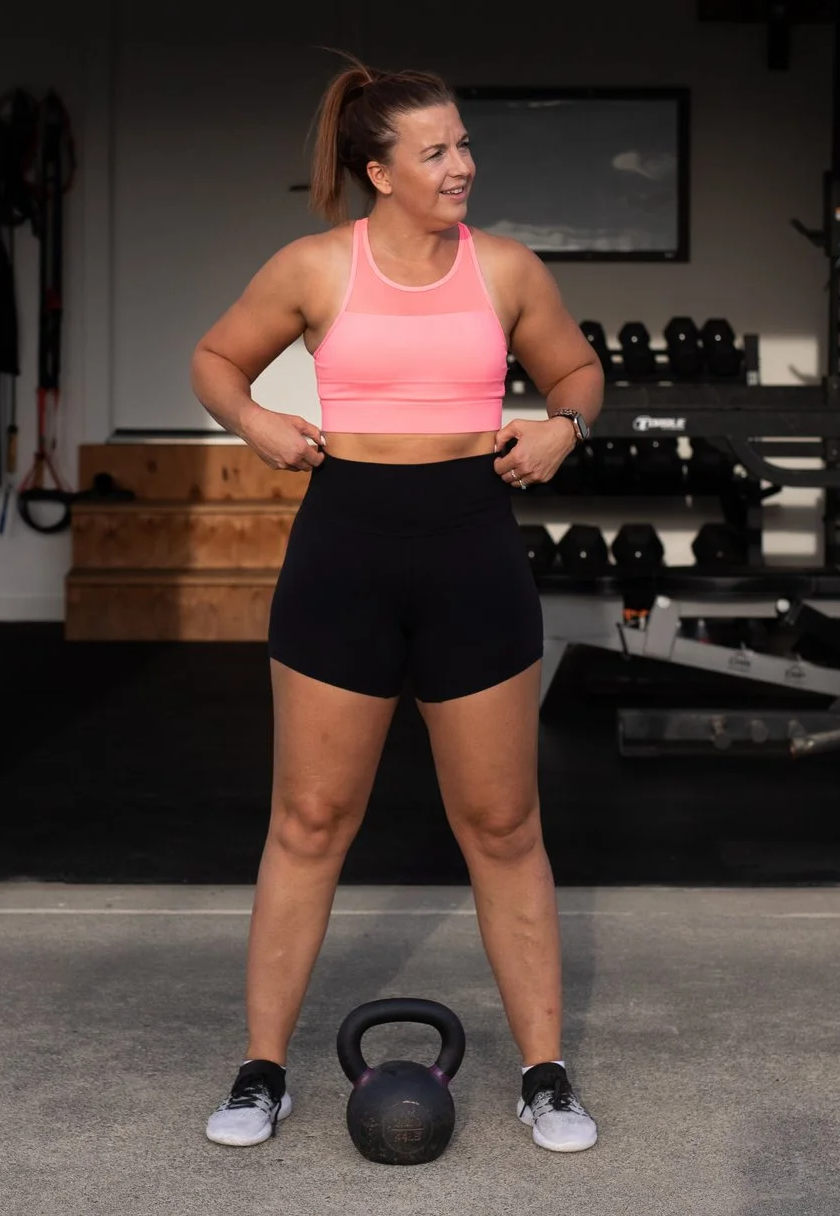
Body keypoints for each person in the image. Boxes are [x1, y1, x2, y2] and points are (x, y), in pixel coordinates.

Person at [188, 58, 606, 1154]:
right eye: (436, 151)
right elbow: (217, 358)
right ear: (379, 171)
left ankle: (546, 1076)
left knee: (504, 824)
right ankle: (261, 1071)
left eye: (464, 144)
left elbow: (576, 374)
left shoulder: (506, 270)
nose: (462, 164)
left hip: (473, 545)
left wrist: (564, 427)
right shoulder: (314, 268)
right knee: (310, 820)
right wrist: (258, 424)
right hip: (346, 550)